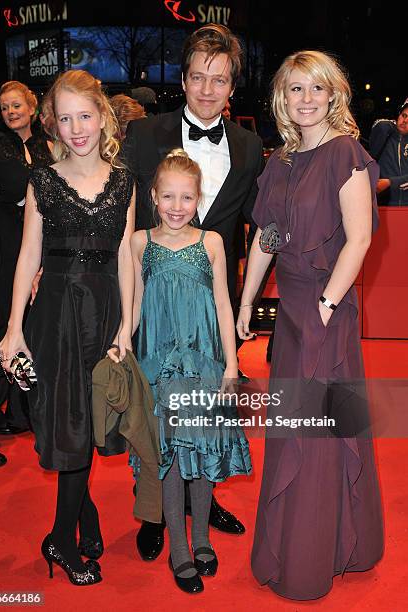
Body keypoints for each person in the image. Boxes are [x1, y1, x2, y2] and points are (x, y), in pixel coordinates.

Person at [237, 50, 384, 600]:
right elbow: (267, 236)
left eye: (316, 89)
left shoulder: (345, 152)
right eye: (295, 89)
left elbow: (361, 238)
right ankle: (321, 542)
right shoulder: (280, 161)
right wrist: (248, 298)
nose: (306, 99)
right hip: (292, 314)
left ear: (333, 96)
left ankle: (311, 557)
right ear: (282, 97)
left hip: (326, 308)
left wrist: (325, 304)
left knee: (317, 434)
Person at [123, 23, 264, 558]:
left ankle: (201, 506)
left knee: (203, 418)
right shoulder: (144, 135)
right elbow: (124, 219)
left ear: (233, 88)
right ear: (183, 79)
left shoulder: (250, 147)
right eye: (198, 77)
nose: (207, 90)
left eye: (220, 80)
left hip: (208, 313)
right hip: (155, 305)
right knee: (155, 416)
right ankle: (155, 510)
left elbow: (257, 221)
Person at [0, 69, 135, 585]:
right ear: (52, 124)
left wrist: (126, 325)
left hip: (102, 312)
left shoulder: (124, 180)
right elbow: (27, 255)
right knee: (71, 423)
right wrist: (14, 329)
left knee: (93, 421)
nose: (77, 128)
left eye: (85, 116)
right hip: (55, 312)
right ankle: (61, 538)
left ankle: (85, 515)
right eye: (65, 118)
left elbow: (124, 254)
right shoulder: (43, 179)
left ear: (103, 119)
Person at [131, 149, 251, 594]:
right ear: (154, 197)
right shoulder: (141, 243)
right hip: (159, 367)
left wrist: (232, 363)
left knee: (199, 457)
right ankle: (178, 548)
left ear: (198, 198)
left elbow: (223, 303)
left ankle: (201, 538)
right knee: (170, 460)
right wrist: (123, 338)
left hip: (204, 363)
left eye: (186, 197)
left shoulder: (213, 242)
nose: (177, 207)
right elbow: (135, 302)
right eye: (168, 197)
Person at [0, 69, 29, 467]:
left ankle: (12, 412)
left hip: (6, 254)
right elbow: (15, 181)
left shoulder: (3, 140)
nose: (10, 111)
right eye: (5, 104)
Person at [0, 80, 53, 168]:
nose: (10, 111)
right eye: (4, 108)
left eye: (16, 106)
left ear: (31, 109)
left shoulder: (49, 147)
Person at [369, 98, 408, 205]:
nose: (405, 121)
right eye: (404, 115)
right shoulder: (386, 132)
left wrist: (390, 182)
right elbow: (381, 125)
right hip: (384, 205)